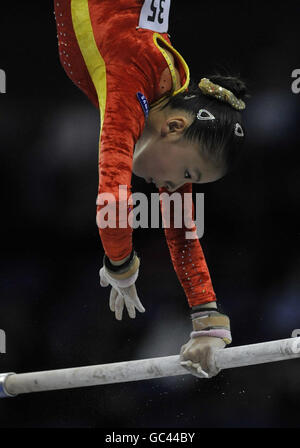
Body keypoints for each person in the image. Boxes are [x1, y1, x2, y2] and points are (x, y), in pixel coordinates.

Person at [53, 0, 249, 378]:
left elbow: (183, 232)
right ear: (174, 127)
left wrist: (208, 323)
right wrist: (121, 265)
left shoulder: (169, 101)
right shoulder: (132, 76)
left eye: (191, 182)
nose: (178, 187)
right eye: (188, 172)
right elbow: (112, 195)